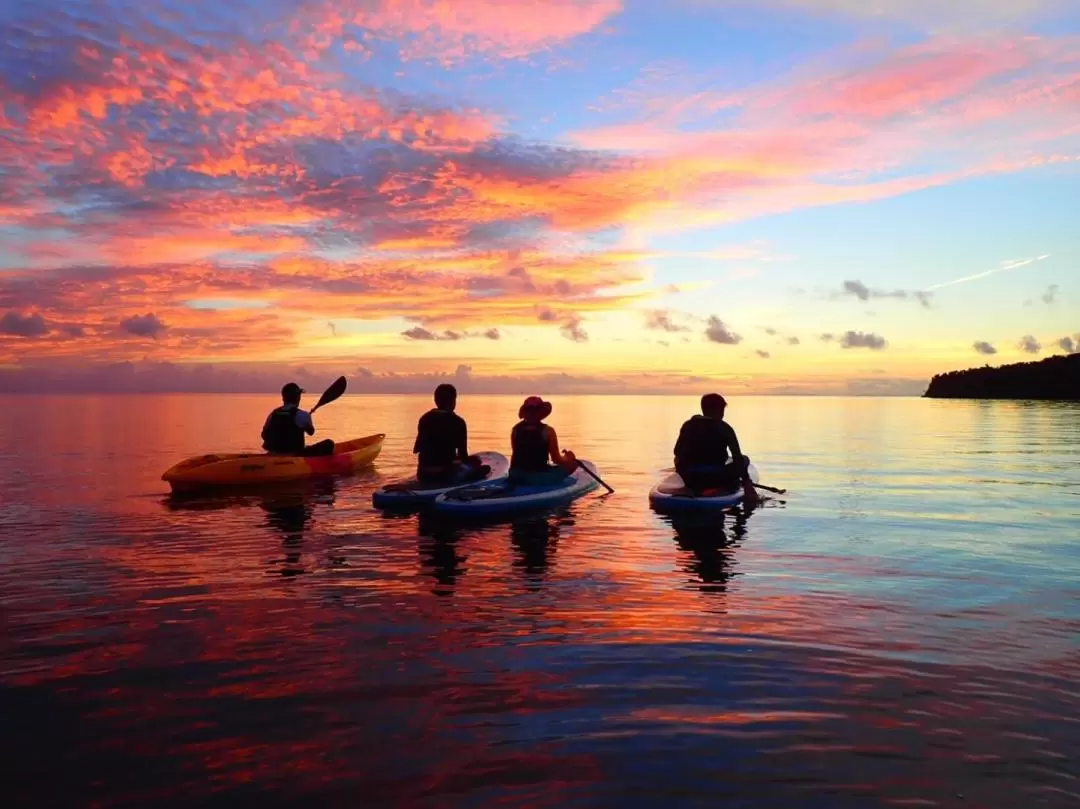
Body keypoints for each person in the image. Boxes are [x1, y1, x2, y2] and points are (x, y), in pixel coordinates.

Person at [673, 393, 759, 504]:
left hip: (691, 479)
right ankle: (744, 484)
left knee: (677, 459)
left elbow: (677, 451)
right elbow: (737, 458)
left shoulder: (688, 425)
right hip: (716, 478)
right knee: (744, 459)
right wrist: (746, 481)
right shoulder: (725, 428)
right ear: (719, 410)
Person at [413, 384, 487, 483]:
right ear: (454, 401)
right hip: (446, 476)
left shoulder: (424, 418)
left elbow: (416, 449)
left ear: (435, 400)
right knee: (484, 468)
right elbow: (463, 455)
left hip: (423, 474)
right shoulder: (458, 422)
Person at [509, 396, 578, 485]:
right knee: (573, 465)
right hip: (536, 478)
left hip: (515, 475)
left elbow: (516, 454)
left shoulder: (515, 430)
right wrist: (568, 458)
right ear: (541, 413)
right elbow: (556, 460)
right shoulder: (548, 431)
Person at [261, 382, 335, 456]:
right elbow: (311, 432)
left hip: (273, 454)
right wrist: (307, 422)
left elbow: (264, 435)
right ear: (298, 398)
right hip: (296, 455)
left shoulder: (273, 414)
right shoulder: (303, 415)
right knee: (329, 443)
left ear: (283, 398)